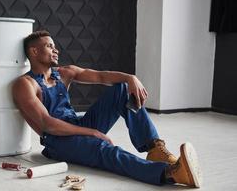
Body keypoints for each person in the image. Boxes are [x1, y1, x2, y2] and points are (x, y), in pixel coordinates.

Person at [12, 30, 202, 187]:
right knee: (106, 151)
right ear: (34, 52)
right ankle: (171, 174)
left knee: (123, 89)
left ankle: (155, 149)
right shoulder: (25, 84)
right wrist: (92, 132)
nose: (56, 50)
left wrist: (130, 78)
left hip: (77, 123)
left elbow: (101, 77)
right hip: (58, 141)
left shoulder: (64, 73)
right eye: (49, 46)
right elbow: (47, 124)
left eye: (54, 46)